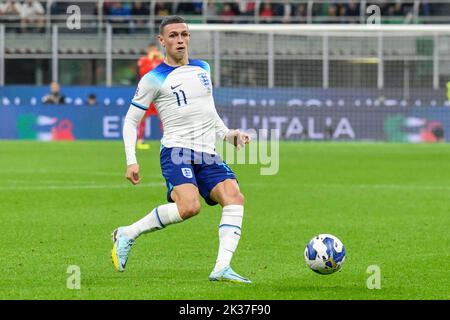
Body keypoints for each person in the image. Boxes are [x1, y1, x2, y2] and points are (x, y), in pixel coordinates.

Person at [112, 16, 252, 283]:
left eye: (184, 34)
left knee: (234, 197)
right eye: (173, 35)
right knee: (189, 207)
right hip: (177, 150)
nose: (180, 40)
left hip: (207, 151)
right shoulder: (153, 79)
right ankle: (128, 232)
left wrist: (227, 134)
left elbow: (209, 112)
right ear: (161, 41)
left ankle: (221, 267)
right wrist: (132, 160)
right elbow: (131, 120)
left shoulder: (202, 68)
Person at [136, 43, 164, 149]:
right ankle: (140, 141)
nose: (154, 52)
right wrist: (149, 59)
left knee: (164, 118)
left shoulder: (161, 61)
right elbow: (143, 72)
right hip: (147, 94)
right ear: (148, 50)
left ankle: (167, 141)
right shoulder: (144, 60)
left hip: (159, 94)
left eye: (155, 49)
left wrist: (162, 58)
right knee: (142, 117)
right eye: (152, 50)